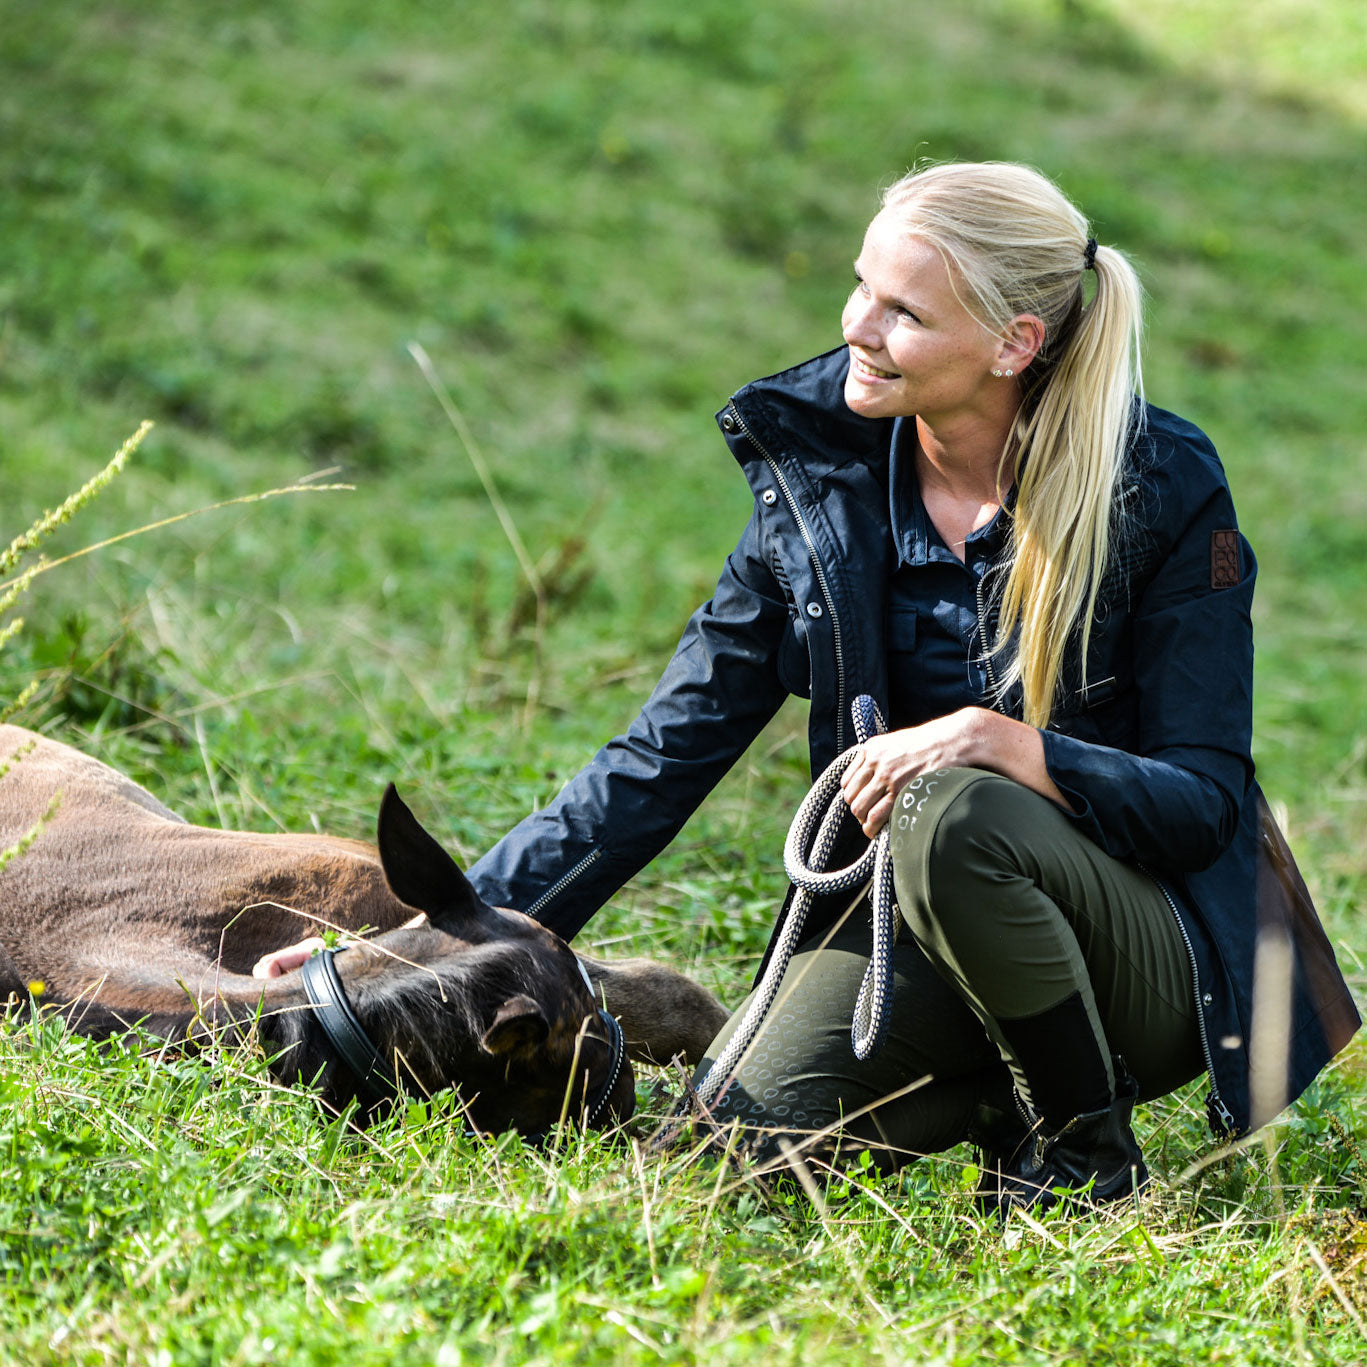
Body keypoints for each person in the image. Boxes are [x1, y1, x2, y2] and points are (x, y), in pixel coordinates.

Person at [467, 161, 1359, 1211]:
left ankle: (1083, 1152)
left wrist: (1002, 741)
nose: (857, 325)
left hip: (1139, 953)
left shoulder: (1159, 482)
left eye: (904, 312)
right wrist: (443, 928)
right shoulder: (822, 485)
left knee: (948, 806)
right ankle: (990, 1097)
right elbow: (661, 756)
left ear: (1012, 344)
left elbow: (1201, 801)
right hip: (908, 933)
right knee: (721, 1163)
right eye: (861, 285)